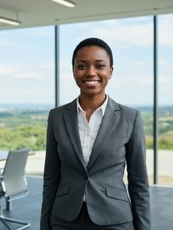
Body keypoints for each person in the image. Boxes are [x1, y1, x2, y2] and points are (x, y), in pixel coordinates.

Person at [40, 38, 150, 230]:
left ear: (110, 71)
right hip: (64, 219)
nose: (91, 72)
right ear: (73, 70)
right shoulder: (57, 117)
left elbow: (139, 183)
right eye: (81, 66)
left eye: (99, 66)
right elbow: (51, 177)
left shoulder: (130, 118)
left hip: (114, 218)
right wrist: (45, 224)